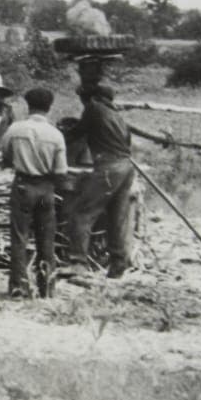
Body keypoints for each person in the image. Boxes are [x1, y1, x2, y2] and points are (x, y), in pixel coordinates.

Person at [0, 87, 69, 299]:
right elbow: (61, 171)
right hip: (46, 189)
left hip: (23, 186)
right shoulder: (56, 135)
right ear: (49, 107)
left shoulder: (14, 129)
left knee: (19, 238)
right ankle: (47, 288)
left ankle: (19, 288)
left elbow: (6, 158)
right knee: (46, 239)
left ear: (28, 106)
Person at [63, 82, 136, 278]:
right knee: (117, 215)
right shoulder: (118, 116)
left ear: (92, 97)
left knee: (81, 213)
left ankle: (77, 262)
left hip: (108, 167)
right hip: (126, 167)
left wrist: (59, 135)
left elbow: (77, 133)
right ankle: (119, 262)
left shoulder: (94, 108)